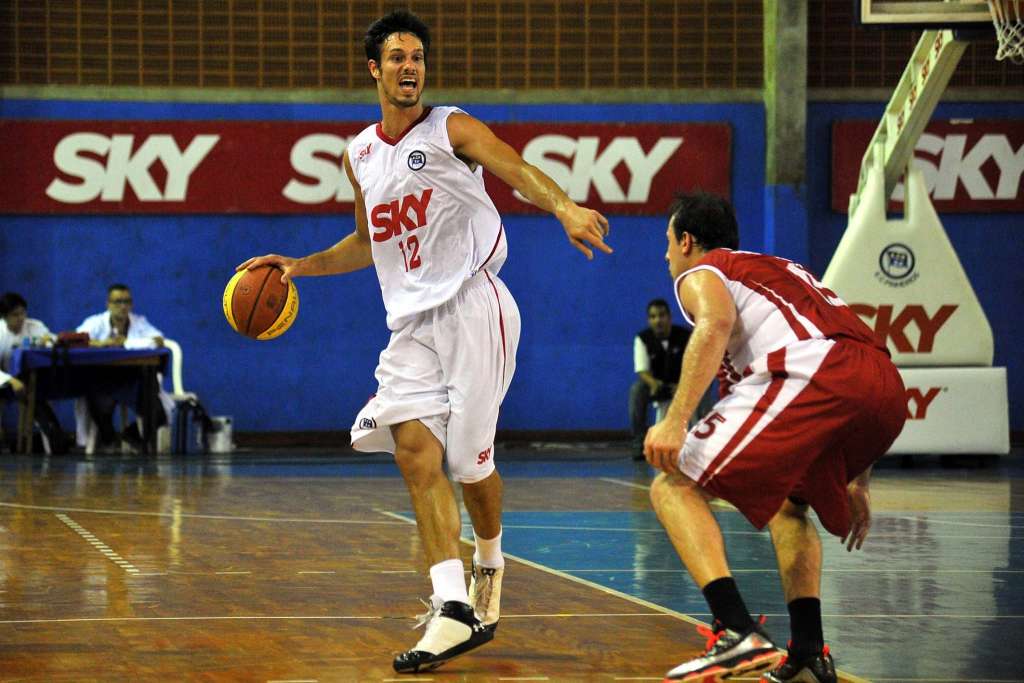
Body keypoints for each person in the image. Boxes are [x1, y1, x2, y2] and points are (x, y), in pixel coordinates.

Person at [237, 9, 611, 674]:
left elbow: (516, 166)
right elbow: (365, 241)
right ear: (373, 69)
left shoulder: (451, 127)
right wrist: (299, 266)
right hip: (410, 322)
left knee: (468, 466)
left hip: (475, 305)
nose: (411, 67)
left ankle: (490, 565)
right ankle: (452, 607)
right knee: (412, 448)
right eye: (398, 57)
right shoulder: (359, 156)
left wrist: (563, 206)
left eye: (418, 57)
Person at [643, 192, 905, 683]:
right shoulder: (780, 270)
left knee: (671, 482)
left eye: (667, 243)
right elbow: (857, 356)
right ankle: (807, 652)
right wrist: (858, 477)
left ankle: (735, 631)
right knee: (791, 507)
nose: (666, 256)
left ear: (686, 240)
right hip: (881, 385)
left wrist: (676, 420)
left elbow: (715, 322)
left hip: (816, 375)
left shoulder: (704, 272)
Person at [75, 284, 170, 451]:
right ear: (108, 304)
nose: (123, 306)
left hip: (132, 380)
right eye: (118, 301)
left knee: (155, 403)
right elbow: (77, 339)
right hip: (102, 379)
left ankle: (133, 434)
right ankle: (109, 438)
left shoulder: (140, 322)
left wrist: (126, 342)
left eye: (127, 301)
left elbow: (158, 340)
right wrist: (101, 343)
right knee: (93, 394)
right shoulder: (95, 322)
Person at [0, 292, 65, 453]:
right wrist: (10, 381)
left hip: (28, 383)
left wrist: (48, 341)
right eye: (15, 315)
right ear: (4, 316)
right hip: (5, 382)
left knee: (36, 392)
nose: (21, 318)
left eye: (23, 313)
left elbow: (55, 341)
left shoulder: (35, 326)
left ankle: (53, 439)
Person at [630, 299, 690, 460]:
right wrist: (654, 384)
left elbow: (695, 365)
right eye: (653, 316)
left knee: (705, 388)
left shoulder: (686, 336)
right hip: (656, 385)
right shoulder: (642, 339)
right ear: (649, 320)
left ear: (669, 317)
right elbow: (642, 370)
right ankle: (639, 441)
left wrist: (682, 386)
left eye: (662, 315)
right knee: (637, 390)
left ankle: (700, 440)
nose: (658, 320)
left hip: (684, 384)